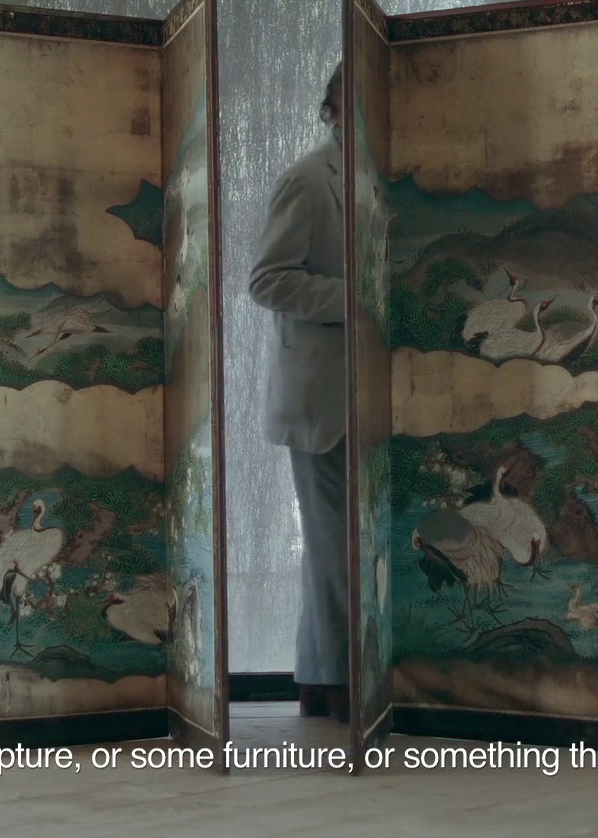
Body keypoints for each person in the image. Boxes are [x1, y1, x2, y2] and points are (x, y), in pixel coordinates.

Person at [248, 62, 350, 724]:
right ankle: (338, 685)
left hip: (372, 394)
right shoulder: (307, 180)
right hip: (321, 397)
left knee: (337, 546)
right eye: (351, 100)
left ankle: (320, 681)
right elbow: (266, 280)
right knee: (331, 544)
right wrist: (356, 298)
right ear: (330, 108)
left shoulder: (380, 179)